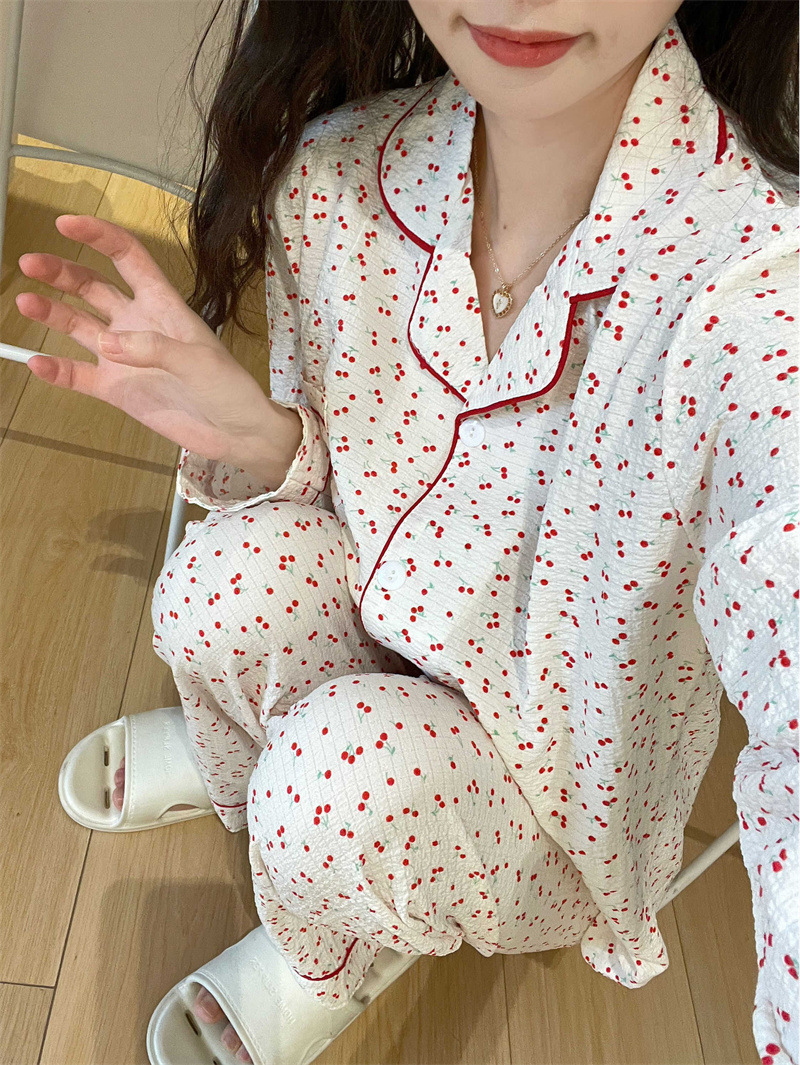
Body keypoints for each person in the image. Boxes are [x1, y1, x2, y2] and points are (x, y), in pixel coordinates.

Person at [16, 2, 798, 1063]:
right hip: (378, 634)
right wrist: (267, 441)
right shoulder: (336, 173)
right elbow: (346, 498)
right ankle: (251, 772)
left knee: (331, 788)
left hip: (539, 790)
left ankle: (327, 944)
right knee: (216, 584)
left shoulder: (757, 297)